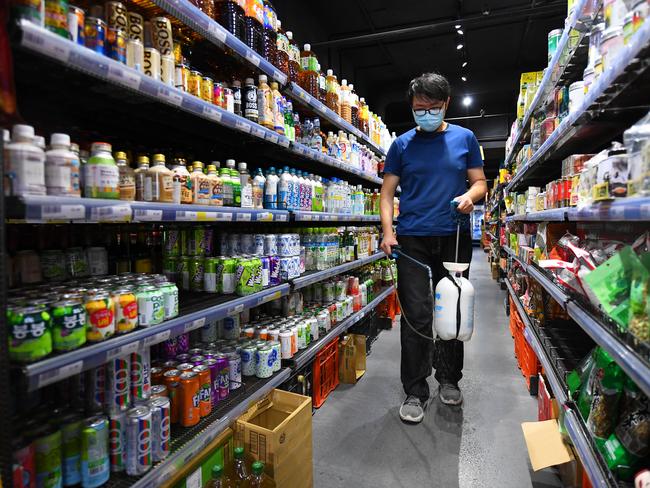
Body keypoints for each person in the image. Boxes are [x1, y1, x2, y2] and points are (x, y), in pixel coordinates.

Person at [379, 72, 487, 423]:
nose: (425, 113)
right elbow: (386, 193)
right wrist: (387, 232)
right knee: (417, 315)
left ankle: (449, 379)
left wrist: (471, 197)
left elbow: (480, 182)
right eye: (419, 108)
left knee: (452, 311)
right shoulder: (401, 145)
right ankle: (415, 389)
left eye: (432, 107)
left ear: (446, 105)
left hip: (453, 235)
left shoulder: (465, 138)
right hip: (411, 239)